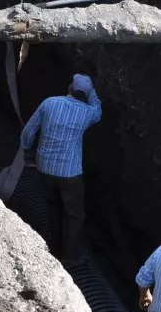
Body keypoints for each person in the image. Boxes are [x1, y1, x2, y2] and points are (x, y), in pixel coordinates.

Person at [20, 74, 101, 262]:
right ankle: (69, 256)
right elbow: (98, 109)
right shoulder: (88, 112)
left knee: (53, 206)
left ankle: (54, 247)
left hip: (44, 166)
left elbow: (28, 132)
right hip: (70, 173)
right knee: (74, 215)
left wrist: (27, 151)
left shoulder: (49, 103)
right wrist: (93, 92)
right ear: (86, 95)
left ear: (70, 88)